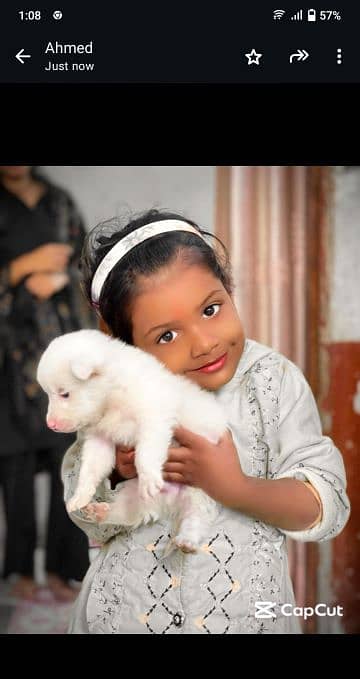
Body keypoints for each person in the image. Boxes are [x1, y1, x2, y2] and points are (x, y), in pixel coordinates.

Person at [62, 208, 351, 633]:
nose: (203, 343)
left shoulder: (271, 380)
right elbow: (84, 512)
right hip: (125, 615)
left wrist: (235, 487)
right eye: (166, 335)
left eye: (211, 309)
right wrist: (115, 473)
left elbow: (328, 506)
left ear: (229, 289)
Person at [0, 165, 97, 601]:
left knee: (69, 462)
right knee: (15, 466)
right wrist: (21, 271)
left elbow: (89, 271)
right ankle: (18, 572)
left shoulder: (59, 204)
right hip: (7, 361)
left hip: (60, 356)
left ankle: (65, 570)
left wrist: (62, 281)